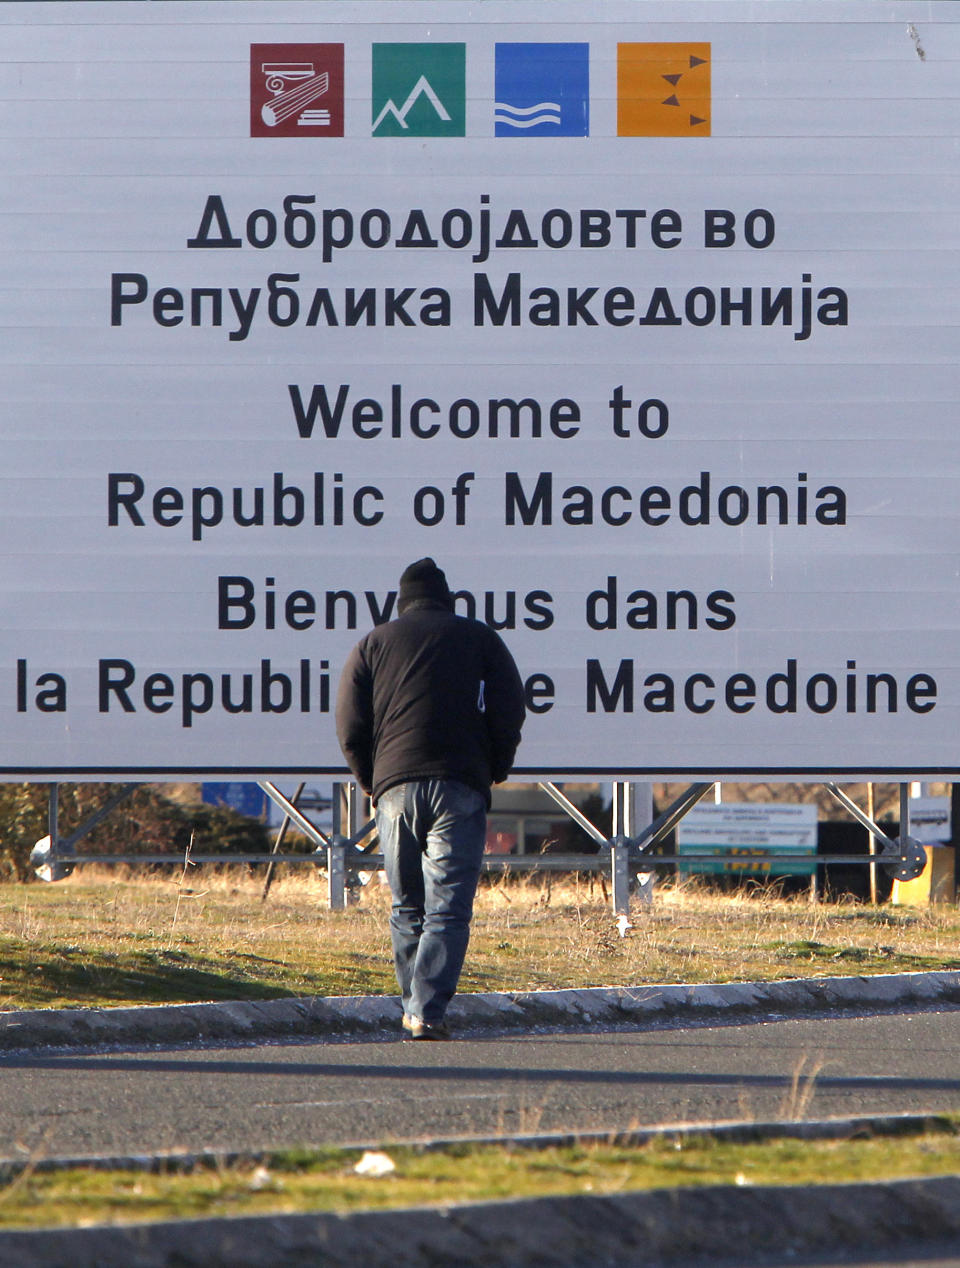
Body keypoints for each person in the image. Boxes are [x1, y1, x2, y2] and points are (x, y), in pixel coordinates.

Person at [336, 558, 526, 1040]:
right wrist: (496, 765)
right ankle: (425, 1011)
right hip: (459, 784)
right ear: (449, 600)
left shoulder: (372, 644)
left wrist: (369, 778)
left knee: (406, 905)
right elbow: (510, 706)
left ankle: (413, 1007)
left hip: (394, 787)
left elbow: (349, 722)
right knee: (448, 907)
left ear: (401, 604)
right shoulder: (479, 637)